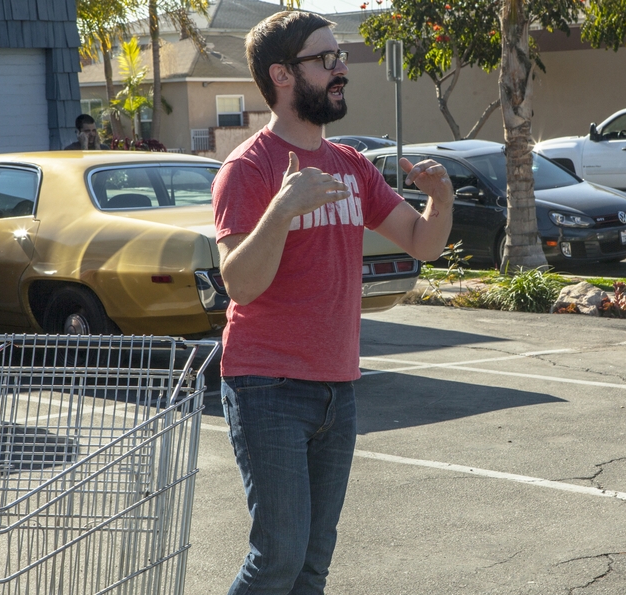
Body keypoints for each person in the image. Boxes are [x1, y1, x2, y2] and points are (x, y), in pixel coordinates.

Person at [210, 10, 453, 595]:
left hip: (337, 387)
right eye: (325, 59)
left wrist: (440, 202)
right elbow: (239, 283)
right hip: (265, 385)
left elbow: (422, 242)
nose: (340, 68)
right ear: (282, 75)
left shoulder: (351, 166)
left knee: (312, 563)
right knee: (278, 558)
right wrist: (282, 209)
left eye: (338, 56)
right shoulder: (249, 169)